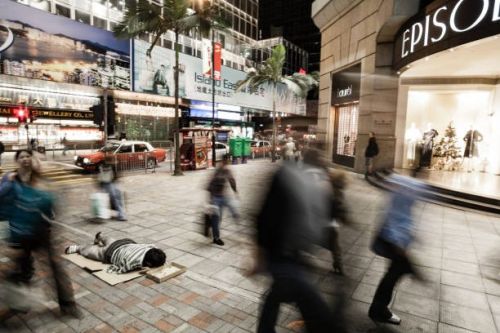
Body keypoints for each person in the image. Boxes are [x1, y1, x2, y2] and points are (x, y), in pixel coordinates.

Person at [253, 152, 337, 333]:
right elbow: (263, 218)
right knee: (317, 311)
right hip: (282, 255)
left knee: (279, 293)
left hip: (291, 255)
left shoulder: (312, 183)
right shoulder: (288, 178)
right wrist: (260, 254)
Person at [0, 150, 79, 317]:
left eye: (28, 156)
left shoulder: (39, 180)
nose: (26, 159)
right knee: (21, 270)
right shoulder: (9, 179)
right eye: (22, 157)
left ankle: (67, 304)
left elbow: (50, 202)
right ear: (17, 162)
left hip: (41, 231)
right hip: (20, 233)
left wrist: (51, 220)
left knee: (55, 267)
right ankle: (17, 304)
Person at [368, 173, 424, 325]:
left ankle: (378, 309)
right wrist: (400, 242)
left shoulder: (403, 186)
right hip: (393, 239)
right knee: (394, 273)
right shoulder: (408, 189)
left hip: (393, 237)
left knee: (394, 272)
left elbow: (398, 215)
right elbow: (395, 216)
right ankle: (379, 310)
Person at [65, 232, 166, 274]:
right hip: (108, 253)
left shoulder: (151, 247)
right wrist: (145, 269)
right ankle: (77, 248)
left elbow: (155, 246)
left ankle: (101, 236)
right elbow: (120, 269)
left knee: (109, 239)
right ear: (148, 263)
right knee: (90, 252)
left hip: (122, 243)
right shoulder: (135, 262)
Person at [206, 155, 239, 246]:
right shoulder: (218, 170)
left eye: (228, 161)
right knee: (217, 218)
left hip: (223, 197)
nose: (227, 162)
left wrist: (235, 191)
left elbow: (232, 181)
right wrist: (211, 199)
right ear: (223, 160)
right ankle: (216, 238)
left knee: (232, 210)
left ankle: (236, 219)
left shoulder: (227, 170)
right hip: (215, 198)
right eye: (227, 160)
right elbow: (210, 184)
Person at [98, 154, 127, 221]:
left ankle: (103, 215)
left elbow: (98, 175)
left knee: (108, 200)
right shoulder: (111, 165)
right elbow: (116, 176)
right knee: (117, 199)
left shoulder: (101, 165)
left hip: (105, 184)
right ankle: (121, 215)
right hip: (110, 184)